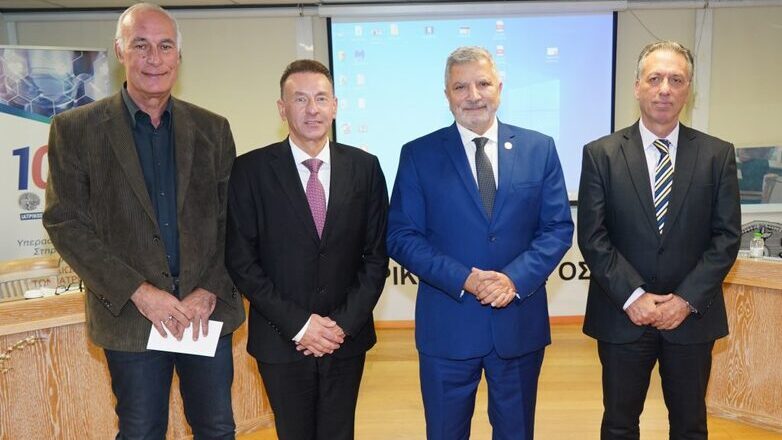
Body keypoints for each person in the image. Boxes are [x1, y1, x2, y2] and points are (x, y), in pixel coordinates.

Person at [43, 3, 245, 438]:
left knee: (216, 429)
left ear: (179, 56)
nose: (155, 58)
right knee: (140, 431)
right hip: (131, 317)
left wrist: (209, 288)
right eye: (141, 45)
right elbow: (65, 223)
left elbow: (234, 219)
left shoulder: (213, 129)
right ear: (120, 51)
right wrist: (140, 292)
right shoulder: (75, 130)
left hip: (203, 313)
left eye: (165, 46)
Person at [387, 46, 573, 439]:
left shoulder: (539, 148)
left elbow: (557, 227)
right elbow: (402, 236)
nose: (473, 95)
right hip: (448, 328)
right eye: (460, 87)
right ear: (447, 95)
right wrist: (465, 279)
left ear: (499, 88)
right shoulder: (418, 154)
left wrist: (513, 280)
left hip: (517, 324)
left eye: (483, 84)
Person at [578, 40, 741, 440]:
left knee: (690, 427)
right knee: (619, 425)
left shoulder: (717, 155)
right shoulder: (601, 154)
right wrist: (634, 297)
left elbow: (726, 237)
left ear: (688, 90)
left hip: (691, 319)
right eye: (654, 79)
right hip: (622, 316)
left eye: (676, 80)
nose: (664, 89)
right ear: (637, 87)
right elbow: (593, 236)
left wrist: (684, 300)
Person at [225, 59, 388, 440]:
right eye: (300, 99)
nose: (312, 109)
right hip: (281, 339)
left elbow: (376, 256)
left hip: (345, 339)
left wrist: (340, 326)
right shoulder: (250, 170)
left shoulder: (365, 168)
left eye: (321, 98)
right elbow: (242, 261)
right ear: (282, 109)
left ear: (335, 106)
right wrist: (300, 325)